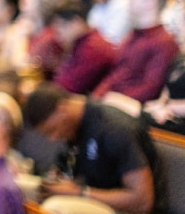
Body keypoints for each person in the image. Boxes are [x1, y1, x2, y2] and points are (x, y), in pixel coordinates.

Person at [23, 82, 162, 214]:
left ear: (62, 109)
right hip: (92, 198)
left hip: (123, 210)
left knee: (55, 207)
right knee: (20, 188)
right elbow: (67, 171)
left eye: (51, 130)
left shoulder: (114, 130)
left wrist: (80, 192)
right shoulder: (73, 127)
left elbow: (142, 201)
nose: (53, 138)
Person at [92, 0, 179, 103]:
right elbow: (116, 73)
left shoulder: (164, 42)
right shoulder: (135, 33)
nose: (129, 1)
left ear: (150, 1)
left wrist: (112, 100)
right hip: (108, 101)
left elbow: (151, 87)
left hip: (124, 105)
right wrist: (97, 96)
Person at [50, 0, 117, 95]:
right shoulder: (83, 42)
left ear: (76, 22)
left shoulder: (93, 47)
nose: (58, 35)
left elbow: (68, 87)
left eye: (61, 27)